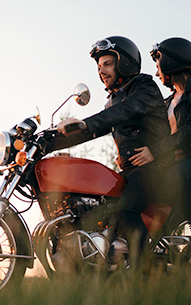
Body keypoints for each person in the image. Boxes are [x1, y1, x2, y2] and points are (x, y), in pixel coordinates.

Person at [52, 36, 172, 266]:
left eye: (107, 64)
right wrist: (51, 141)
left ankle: (141, 274)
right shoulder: (113, 100)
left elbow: (124, 112)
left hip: (155, 168)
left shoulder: (144, 87)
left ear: (124, 63)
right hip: (131, 171)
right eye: (99, 67)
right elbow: (94, 129)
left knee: (126, 212)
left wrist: (87, 123)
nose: (101, 71)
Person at [129, 37, 191, 264]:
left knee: (176, 175)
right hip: (176, 164)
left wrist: (154, 151)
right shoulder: (167, 102)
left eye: (158, 63)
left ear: (171, 62)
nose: (157, 71)